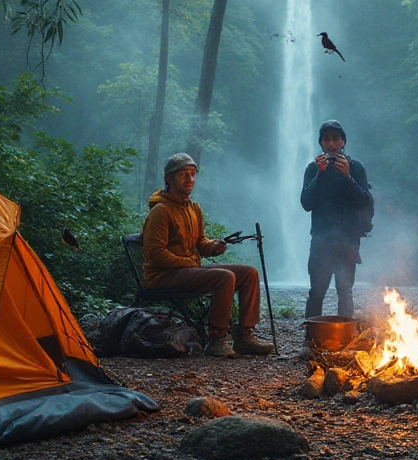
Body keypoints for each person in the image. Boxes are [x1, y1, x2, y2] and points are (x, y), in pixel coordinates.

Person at [142, 153, 274, 357]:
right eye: (184, 175)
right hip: (163, 276)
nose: (190, 179)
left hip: (187, 271)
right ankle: (217, 339)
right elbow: (155, 254)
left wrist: (212, 246)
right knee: (224, 277)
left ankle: (245, 336)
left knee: (249, 273)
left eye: (193, 174)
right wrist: (187, 262)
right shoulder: (161, 211)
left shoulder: (194, 208)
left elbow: (200, 242)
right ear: (169, 178)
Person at [300, 120, 373, 322]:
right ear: (321, 143)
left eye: (335, 139)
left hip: (348, 240)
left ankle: (346, 338)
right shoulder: (313, 169)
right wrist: (320, 175)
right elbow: (306, 203)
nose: (331, 144)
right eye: (326, 139)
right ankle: (311, 339)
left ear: (343, 142)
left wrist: (348, 177)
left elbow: (364, 201)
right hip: (321, 239)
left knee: (345, 291)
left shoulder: (356, 168)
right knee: (316, 291)